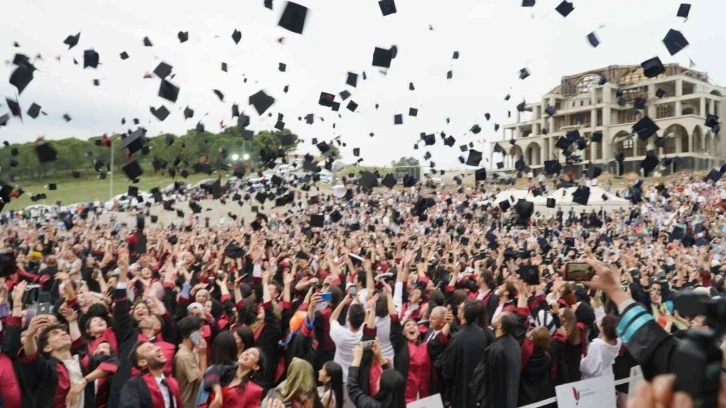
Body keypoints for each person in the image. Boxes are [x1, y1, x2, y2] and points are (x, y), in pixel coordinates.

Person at [442, 300, 494, 408]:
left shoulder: (457, 338)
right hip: (478, 386)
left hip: (461, 388)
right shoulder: (481, 333)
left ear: (462, 314)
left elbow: (448, 369)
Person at [474, 311, 521, 408]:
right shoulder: (515, 345)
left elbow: (483, 379)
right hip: (510, 399)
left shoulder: (495, 350)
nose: (495, 316)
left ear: (499, 325)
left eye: (498, 316)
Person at [119, 340, 182, 408]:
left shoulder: (172, 382)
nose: (158, 348)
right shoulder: (134, 386)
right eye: (150, 348)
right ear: (143, 362)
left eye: (155, 346)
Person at [174, 316, 208, 408]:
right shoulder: (184, 356)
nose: (202, 334)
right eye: (201, 330)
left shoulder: (191, 351)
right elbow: (202, 380)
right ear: (193, 334)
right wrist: (203, 355)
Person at [579, 315, 621, 380]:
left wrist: (582, 360)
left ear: (602, 328)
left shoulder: (596, 345)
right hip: (608, 376)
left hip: (595, 381)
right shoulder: (617, 342)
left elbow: (589, 368)